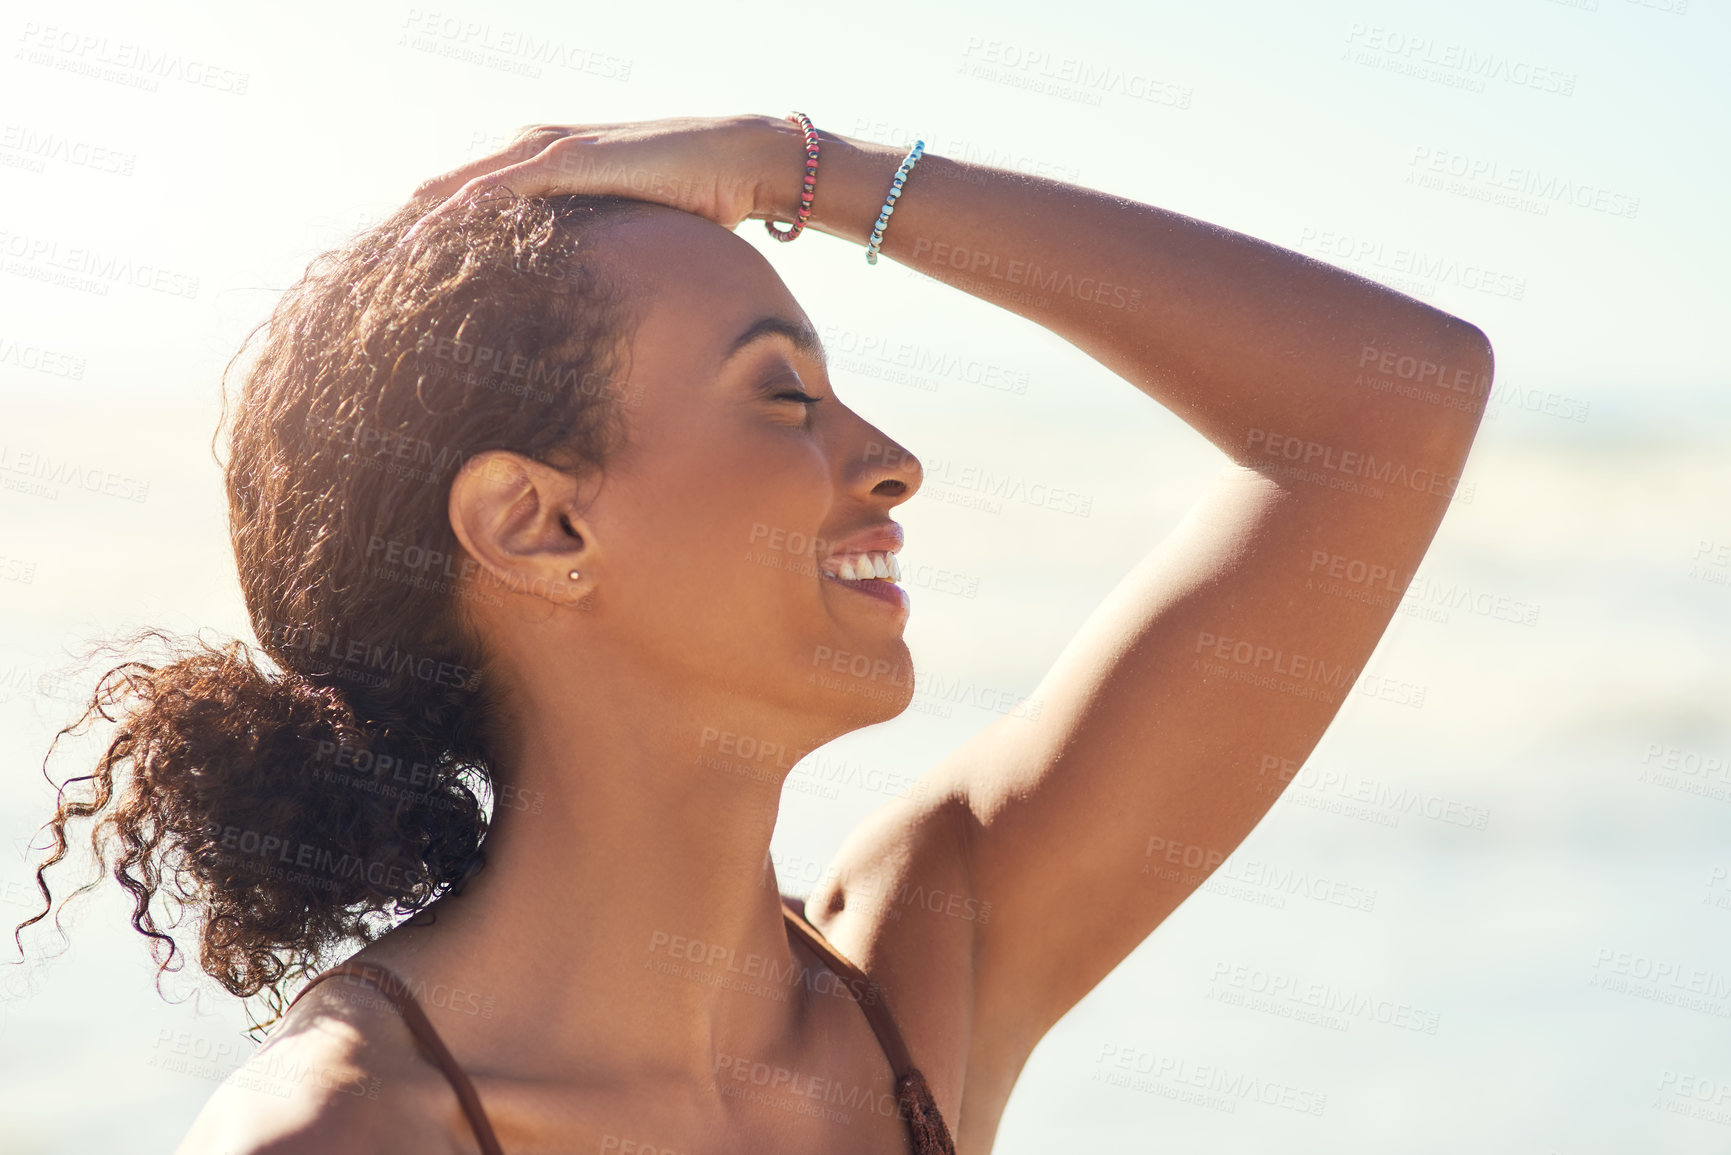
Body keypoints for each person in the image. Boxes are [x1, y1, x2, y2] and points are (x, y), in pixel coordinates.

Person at [15, 113, 1492, 1153]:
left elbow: (1390, 402)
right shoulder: (343, 1137)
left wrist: (805, 170)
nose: (891, 459)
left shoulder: (917, 985)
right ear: (540, 526)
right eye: (784, 395)